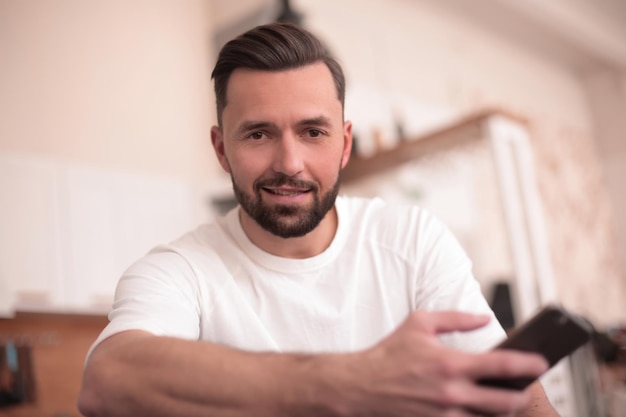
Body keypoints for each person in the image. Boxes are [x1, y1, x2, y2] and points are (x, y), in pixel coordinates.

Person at [78, 22, 559, 417]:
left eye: (312, 131)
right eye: (259, 134)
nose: (289, 162)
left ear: (344, 143)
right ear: (222, 149)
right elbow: (107, 381)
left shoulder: (413, 241)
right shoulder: (179, 271)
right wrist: (347, 382)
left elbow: (520, 399)